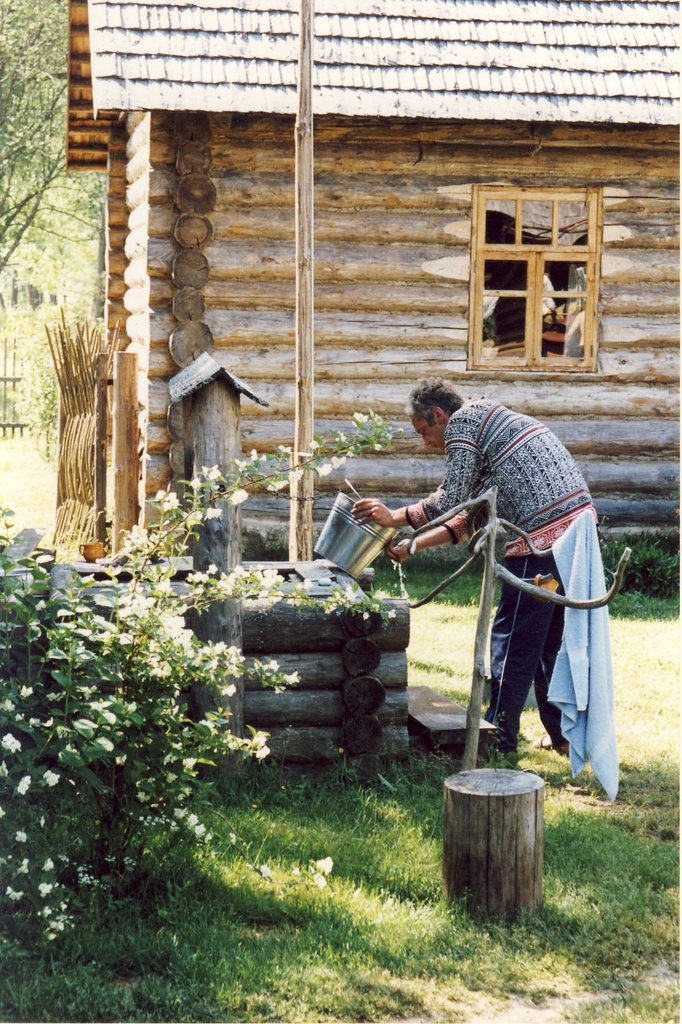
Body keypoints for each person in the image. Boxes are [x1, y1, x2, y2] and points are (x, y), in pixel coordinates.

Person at [351, 377, 599, 756]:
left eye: (424, 431)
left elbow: (448, 499)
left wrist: (391, 517)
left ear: (438, 414)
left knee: (512, 641)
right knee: (544, 644)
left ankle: (499, 742)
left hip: (542, 542)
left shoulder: (465, 422)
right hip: (575, 539)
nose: (427, 443)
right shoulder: (490, 430)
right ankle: (563, 737)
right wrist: (413, 545)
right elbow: (468, 519)